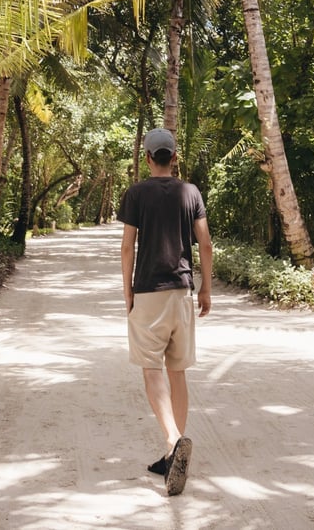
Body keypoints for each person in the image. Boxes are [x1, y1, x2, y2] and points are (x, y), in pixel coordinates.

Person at [117, 127, 213, 496]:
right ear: (174, 156)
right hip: (181, 292)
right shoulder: (191, 192)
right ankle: (171, 454)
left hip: (149, 292)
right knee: (178, 372)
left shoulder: (136, 193)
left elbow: (128, 248)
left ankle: (173, 440)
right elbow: (204, 242)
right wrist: (206, 287)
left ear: (147, 158)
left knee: (151, 368)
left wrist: (126, 290)